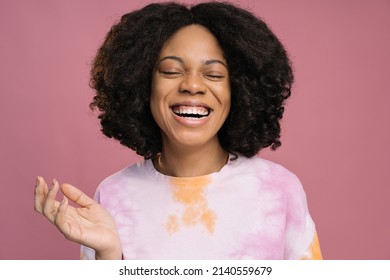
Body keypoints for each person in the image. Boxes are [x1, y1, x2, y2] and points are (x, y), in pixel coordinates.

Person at [34, 2, 322, 260]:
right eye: (171, 71)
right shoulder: (113, 195)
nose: (192, 85)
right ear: (143, 85)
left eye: (214, 74)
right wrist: (108, 256)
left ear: (240, 90)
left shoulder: (279, 189)